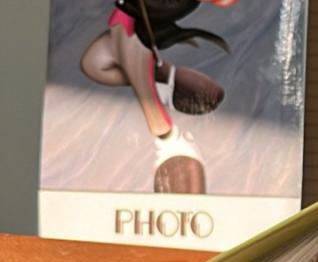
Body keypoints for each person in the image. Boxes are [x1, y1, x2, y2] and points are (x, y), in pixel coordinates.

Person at [80, 0, 237, 193]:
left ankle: (169, 138)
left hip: (137, 28)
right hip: (131, 23)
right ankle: (163, 77)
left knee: (128, 51)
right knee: (94, 63)